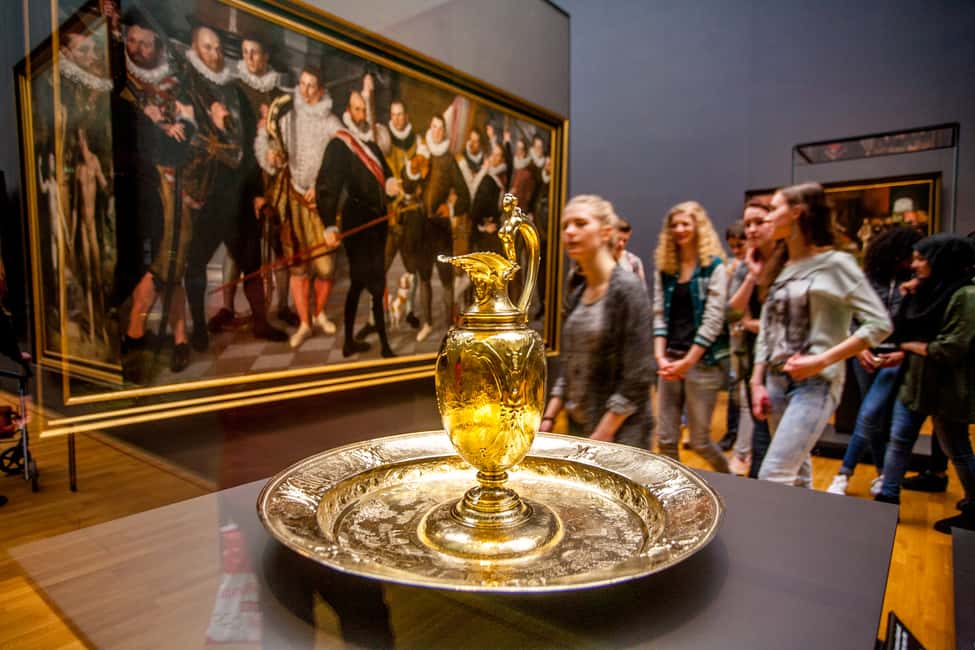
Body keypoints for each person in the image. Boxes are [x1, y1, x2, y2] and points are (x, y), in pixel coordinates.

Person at [750, 183, 892, 487]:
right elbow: (768, 329)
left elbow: (879, 323)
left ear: (797, 213)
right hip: (775, 382)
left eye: (774, 209)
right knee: (797, 472)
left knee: (773, 474)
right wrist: (756, 381)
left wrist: (822, 360)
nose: (767, 217)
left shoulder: (836, 264)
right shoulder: (782, 267)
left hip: (816, 384)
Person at [181, 24, 286, 352]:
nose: (214, 55)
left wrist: (256, 192)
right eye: (207, 47)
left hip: (238, 195)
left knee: (252, 261)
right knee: (195, 262)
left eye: (217, 48)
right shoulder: (187, 88)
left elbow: (251, 148)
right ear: (195, 49)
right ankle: (199, 329)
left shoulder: (235, 92)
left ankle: (260, 322)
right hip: (205, 194)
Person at [114, 9, 197, 376]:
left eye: (145, 44)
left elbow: (189, 132)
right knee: (160, 260)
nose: (137, 49)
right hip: (140, 189)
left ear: (158, 46)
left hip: (173, 182)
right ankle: (135, 334)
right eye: (131, 42)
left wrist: (177, 126)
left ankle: (177, 338)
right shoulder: (122, 86)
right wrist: (152, 124)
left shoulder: (174, 84)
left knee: (174, 257)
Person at [875, 234, 975, 533]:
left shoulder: (967, 295)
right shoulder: (926, 290)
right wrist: (908, 298)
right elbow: (901, 331)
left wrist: (909, 347)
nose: (914, 265)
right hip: (917, 383)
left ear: (940, 260)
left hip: (948, 388)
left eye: (921, 259)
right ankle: (886, 500)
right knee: (899, 440)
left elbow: (951, 348)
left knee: (956, 447)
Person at [538, 195, 652, 448]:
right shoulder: (578, 290)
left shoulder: (627, 289)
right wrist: (549, 417)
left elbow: (639, 375)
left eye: (580, 223)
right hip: (581, 428)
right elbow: (571, 364)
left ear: (606, 232)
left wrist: (602, 435)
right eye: (565, 225)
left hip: (619, 437)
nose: (569, 231)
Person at [825, 226, 921, 496]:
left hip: (895, 356)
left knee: (869, 412)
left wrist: (903, 352)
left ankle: (844, 473)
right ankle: (881, 474)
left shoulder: (915, 283)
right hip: (865, 352)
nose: (911, 261)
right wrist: (858, 348)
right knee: (873, 417)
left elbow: (917, 324)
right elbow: (850, 316)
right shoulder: (867, 279)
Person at [255, 66, 342, 348]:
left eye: (311, 85)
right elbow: (277, 156)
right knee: (298, 266)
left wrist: (323, 186)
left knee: (326, 267)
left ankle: (319, 314)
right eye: (302, 84)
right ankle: (305, 323)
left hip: (320, 204)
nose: (305, 90)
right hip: (292, 201)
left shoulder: (332, 123)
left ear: (321, 89)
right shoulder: (288, 119)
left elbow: (341, 164)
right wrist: (273, 156)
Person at [316, 91, 398, 358]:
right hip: (357, 223)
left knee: (378, 282)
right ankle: (351, 342)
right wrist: (329, 224)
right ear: (348, 111)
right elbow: (326, 186)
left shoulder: (372, 145)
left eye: (364, 110)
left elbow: (386, 175)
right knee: (359, 281)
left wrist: (391, 185)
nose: (362, 115)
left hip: (377, 223)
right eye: (357, 110)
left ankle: (383, 344)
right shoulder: (340, 144)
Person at [652, 201, 730, 472]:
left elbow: (713, 320)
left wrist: (688, 362)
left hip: (702, 363)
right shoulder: (666, 269)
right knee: (665, 440)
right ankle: (677, 490)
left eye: (685, 223)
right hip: (670, 360)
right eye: (674, 225)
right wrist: (660, 356)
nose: (679, 229)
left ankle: (730, 478)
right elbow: (659, 312)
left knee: (700, 442)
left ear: (699, 227)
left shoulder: (714, 267)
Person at [718, 221, 747, 453]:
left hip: (751, 337)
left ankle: (745, 442)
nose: (736, 250)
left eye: (740, 245)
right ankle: (732, 432)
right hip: (734, 336)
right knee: (734, 385)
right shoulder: (730, 267)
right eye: (732, 246)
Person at [613, 218, 646, 284]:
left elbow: (641, 287)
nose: (621, 244)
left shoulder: (634, 262)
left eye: (625, 240)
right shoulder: (600, 260)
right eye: (618, 239)